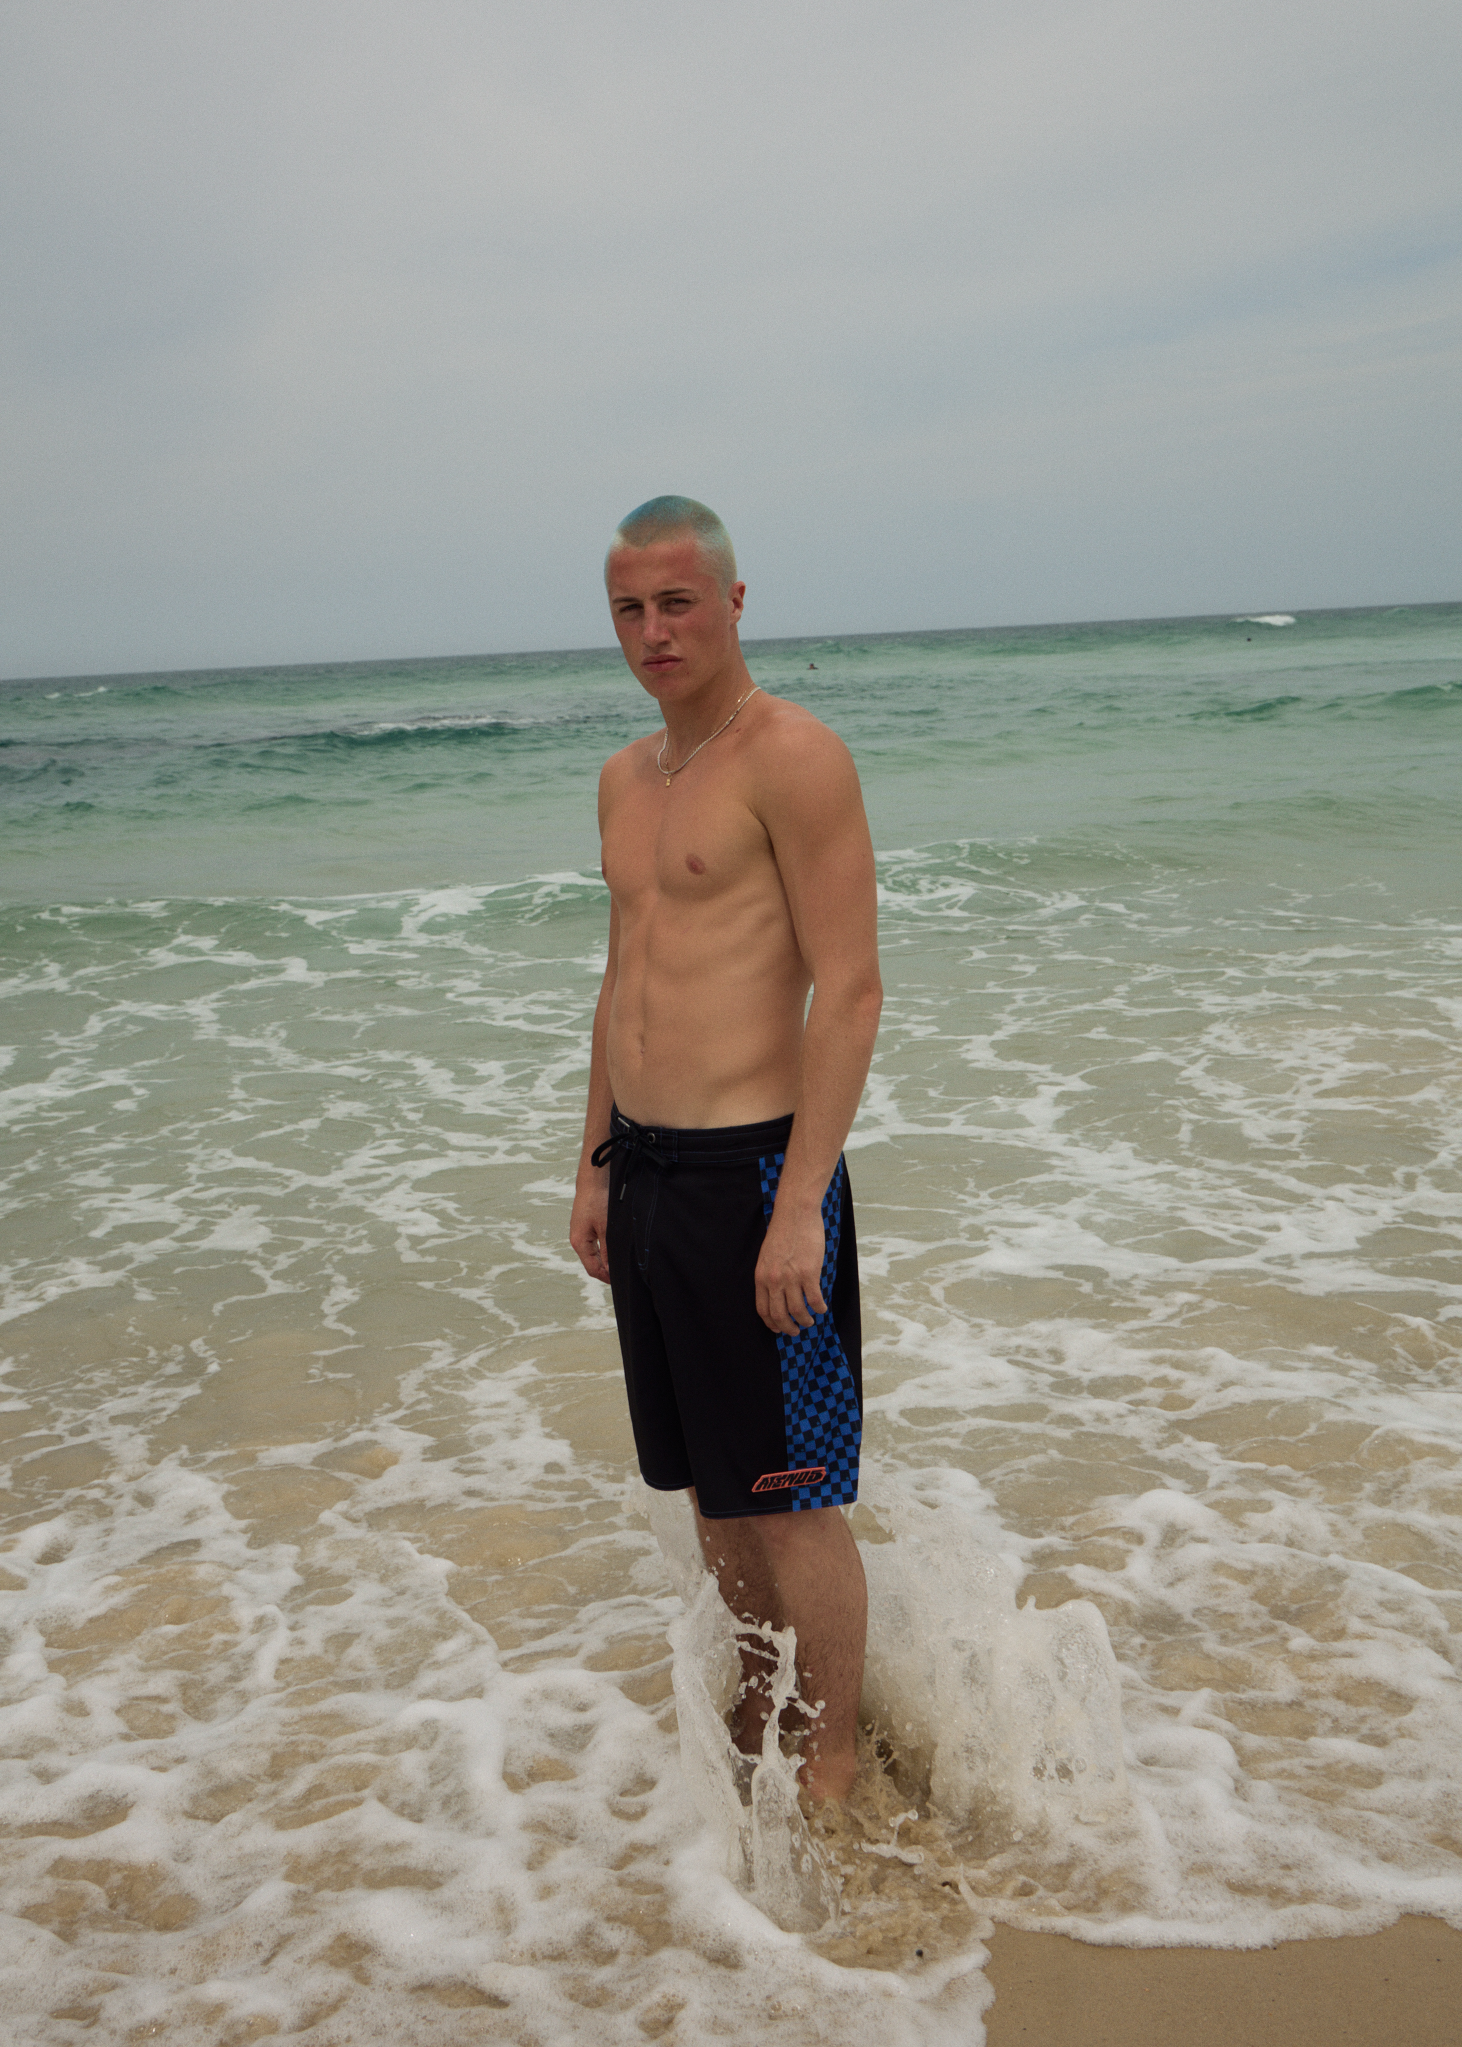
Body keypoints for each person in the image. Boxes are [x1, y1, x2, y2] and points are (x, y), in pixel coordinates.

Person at [569, 496, 882, 1803]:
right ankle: (761, 1694)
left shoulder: (794, 757)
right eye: (630, 609)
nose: (653, 631)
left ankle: (835, 1753)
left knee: (791, 1493)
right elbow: (622, 978)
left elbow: (849, 989)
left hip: (756, 1176)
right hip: (648, 1178)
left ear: (734, 602)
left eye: (677, 602)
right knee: (709, 1485)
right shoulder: (623, 779)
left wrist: (800, 1203)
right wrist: (594, 1162)